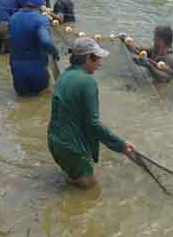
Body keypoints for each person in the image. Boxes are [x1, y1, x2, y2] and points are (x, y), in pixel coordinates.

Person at [48, 37, 135, 188]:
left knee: (72, 183)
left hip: (55, 142)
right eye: (98, 59)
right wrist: (121, 145)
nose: (100, 64)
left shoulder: (64, 76)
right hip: (72, 149)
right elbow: (93, 124)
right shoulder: (88, 82)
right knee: (90, 192)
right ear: (88, 58)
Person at [9, 0, 60, 96]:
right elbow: (46, 41)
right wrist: (55, 52)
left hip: (17, 70)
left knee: (23, 101)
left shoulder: (13, 18)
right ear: (40, 2)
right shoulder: (41, 20)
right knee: (43, 102)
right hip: (37, 71)